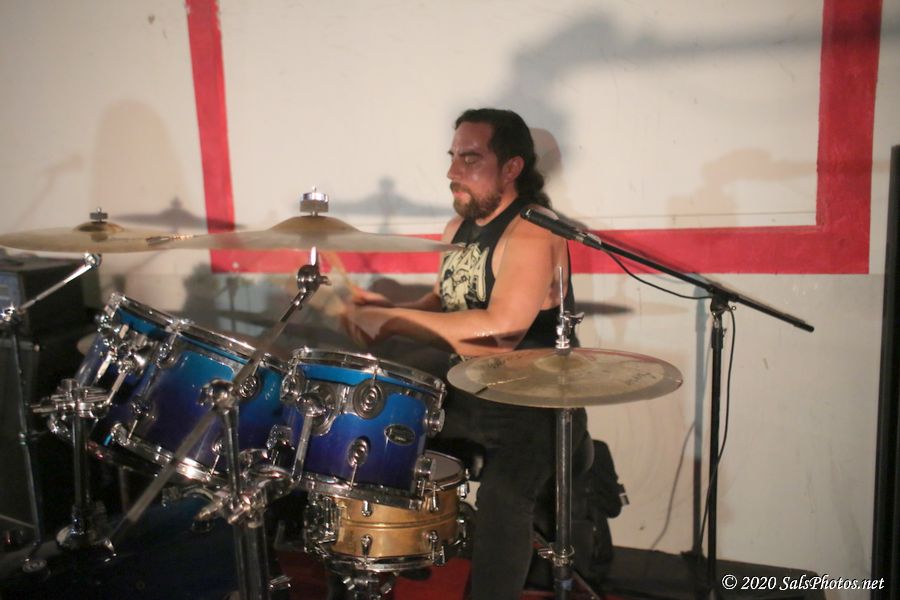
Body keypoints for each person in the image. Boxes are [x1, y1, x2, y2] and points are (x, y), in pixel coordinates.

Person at [342, 108, 588, 600]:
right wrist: (387, 310)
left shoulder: (534, 230)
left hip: (531, 400)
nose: (452, 171)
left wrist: (396, 321)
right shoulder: (458, 226)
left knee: (504, 498)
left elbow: (498, 334)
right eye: (453, 157)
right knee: (365, 424)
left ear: (511, 167)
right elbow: (446, 301)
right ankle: (388, 553)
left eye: (470, 159)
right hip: (468, 389)